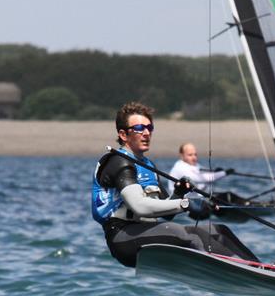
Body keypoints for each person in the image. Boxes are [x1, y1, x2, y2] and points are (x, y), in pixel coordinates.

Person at [91, 102, 260, 268]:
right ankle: (239, 272)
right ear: (123, 134)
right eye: (139, 128)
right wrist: (185, 204)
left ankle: (263, 269)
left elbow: (167, 215)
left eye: (149, 128)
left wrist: (179, 194)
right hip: (122, 238)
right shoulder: (119, 162)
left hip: (147, 231)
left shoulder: (148, 166)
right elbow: (140, 207)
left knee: (218, 231)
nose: (146, 133)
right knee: (188, 235)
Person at [166, 143, 233, 195]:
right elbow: (202, 178)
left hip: (195, 200)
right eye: (190, 155)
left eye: (195, 154)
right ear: (181, 155)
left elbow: (207, 174)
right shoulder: (179, 168)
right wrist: (224, 173)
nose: (194, 157)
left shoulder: (194, 165)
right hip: (180, 202)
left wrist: (216, 172)